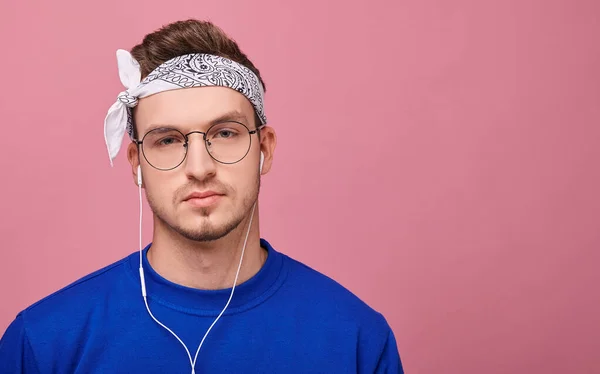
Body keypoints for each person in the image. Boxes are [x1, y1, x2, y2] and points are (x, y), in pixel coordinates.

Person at [0, 19, 403, 373]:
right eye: (168, 140)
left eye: (224, 133)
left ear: (265, 149)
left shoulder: (357, 340)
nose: (199, 167)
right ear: (136, 162)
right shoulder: (41, 344)